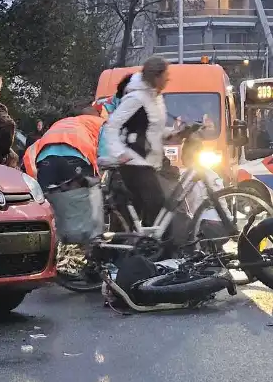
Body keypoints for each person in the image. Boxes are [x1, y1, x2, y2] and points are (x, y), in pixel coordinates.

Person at [100, 55, 191, 251]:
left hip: (148, 160)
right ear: (156, 76)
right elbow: (112, 126)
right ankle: (164, 255)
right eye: (166, 76)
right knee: (160, 207)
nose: (168, 80)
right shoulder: (136, 97)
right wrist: (120, 152)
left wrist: (173, 133)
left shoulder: (155, 96)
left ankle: (139, 254)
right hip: (134, 161)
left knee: (145, 216)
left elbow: (152, 130)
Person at [22, 105, 105, 187]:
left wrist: (33, 177)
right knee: (79, 196)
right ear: (96, 115)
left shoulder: (61, 123)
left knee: (46, 198)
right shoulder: (97, 121)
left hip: (45, 160)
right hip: (75, 158)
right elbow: (108, 147)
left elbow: (32, 150)